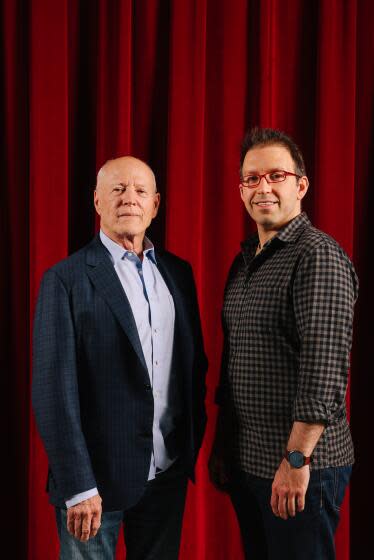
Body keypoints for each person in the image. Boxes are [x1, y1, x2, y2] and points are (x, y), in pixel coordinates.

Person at [32, 156, 207, 560]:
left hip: (167, 473)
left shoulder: (179, 274)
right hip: (94, 486)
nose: (130, 198)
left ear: (156, 204)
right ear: (97, 202)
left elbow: (192, 368)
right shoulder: (65, 279)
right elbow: (53, 391)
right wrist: (78, 486)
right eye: (118, 189)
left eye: (140, 190)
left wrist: (188, 451)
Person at [209, 128, 358, 560]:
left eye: (276, 175)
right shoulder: (244, 264)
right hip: (250, 465)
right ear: (241, 191)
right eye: (252, 179)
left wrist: (296, 463)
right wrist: (224, 445)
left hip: (302, 471)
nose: (264, 188)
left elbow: (324, 371)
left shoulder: (317, 255)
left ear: (301, 185)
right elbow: (234, 363)